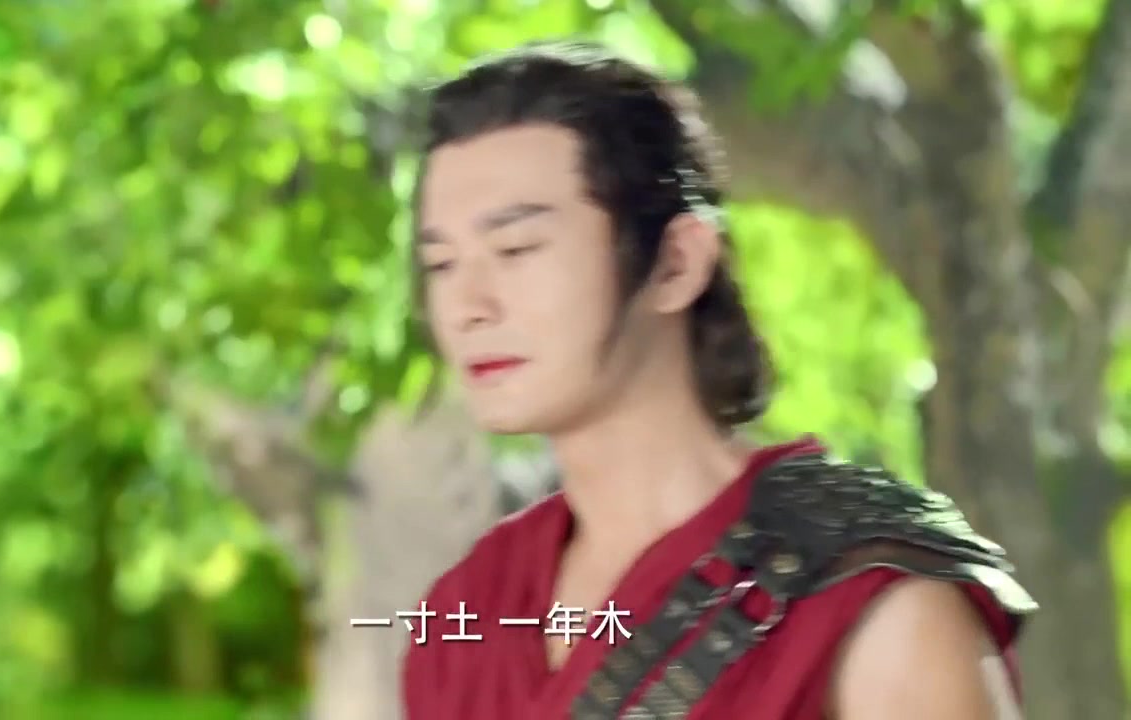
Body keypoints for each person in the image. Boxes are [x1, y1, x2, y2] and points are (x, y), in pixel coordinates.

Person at [399, 41, 1036, 720]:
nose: (468, 306)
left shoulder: (874, 603)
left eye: (516, 249)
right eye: (441, 264)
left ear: (676, 262)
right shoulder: (469, 613)